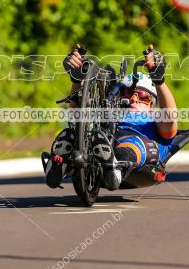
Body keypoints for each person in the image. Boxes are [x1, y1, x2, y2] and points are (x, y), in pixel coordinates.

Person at [44, 44, 178, 189]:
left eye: (142, 96)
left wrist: (159, 80)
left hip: (139, 146)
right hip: (103, 139)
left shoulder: (156, 120)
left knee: (129, 146)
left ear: (153, 105)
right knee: (70, 133)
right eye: (128, 93)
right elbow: (77, 117)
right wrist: (76, 80)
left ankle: (113, 166)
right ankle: (58, 164)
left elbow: (170, 119)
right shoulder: (110, 114)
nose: (133, 99)